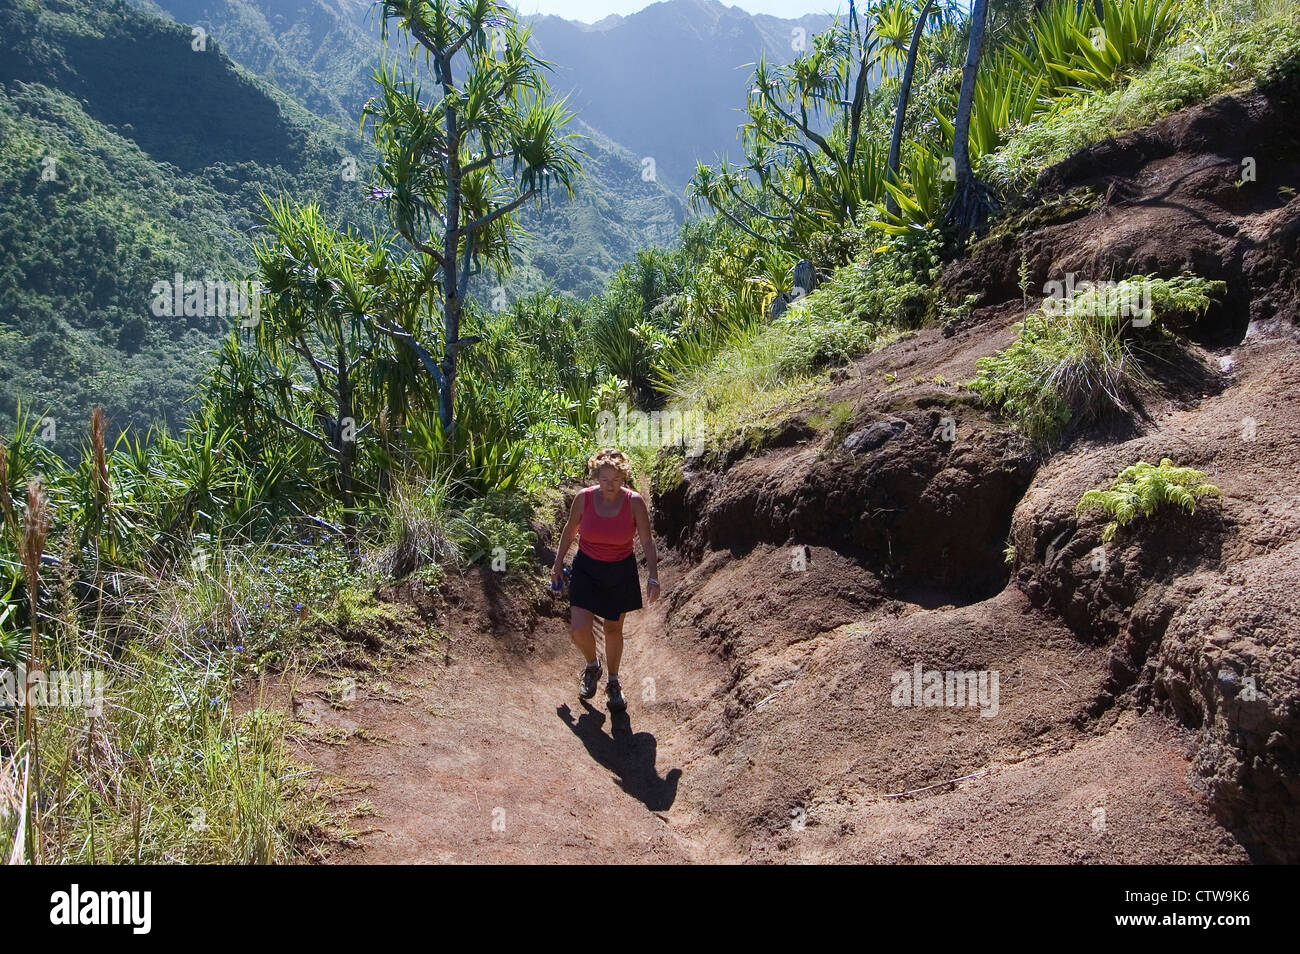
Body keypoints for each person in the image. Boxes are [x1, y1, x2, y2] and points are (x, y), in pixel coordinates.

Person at [551, 448, 659, 712]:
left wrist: (653, 576)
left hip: (620, 571)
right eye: (604, 479)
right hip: (587, 568)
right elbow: (570, 530)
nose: (609, 486)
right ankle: (592, 665)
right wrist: (557, 563)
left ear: (624, 478)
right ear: (595, 477)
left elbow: (646, 540)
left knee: (613, 630)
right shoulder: (583, 499)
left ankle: (613, 682)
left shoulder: (634, 503)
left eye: (615, 480)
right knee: (578, 629)